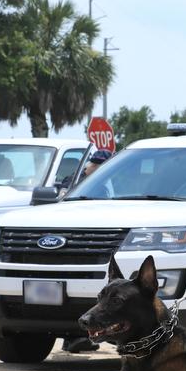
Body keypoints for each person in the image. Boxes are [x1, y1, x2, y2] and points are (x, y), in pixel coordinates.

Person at [61, 149, 115, 353]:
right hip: (70, 245)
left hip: (85, 245)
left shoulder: (104, 186)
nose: (99, 169)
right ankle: (72, 337)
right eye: (98, 165)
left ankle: (76, 337)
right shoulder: (74, 182)